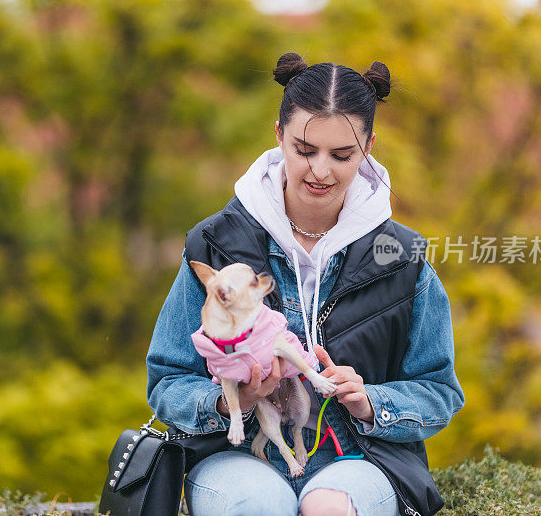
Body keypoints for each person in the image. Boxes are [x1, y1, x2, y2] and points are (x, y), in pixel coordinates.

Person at [146, 52, 465, 516]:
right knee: (259, 504)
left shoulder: (403, 257)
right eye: (304, 149)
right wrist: (226, 398)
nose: (320, 170)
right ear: (279, 135)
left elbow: (440, 390)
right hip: (235, 454)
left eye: (342, 155)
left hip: (362, 456)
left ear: (369, 147)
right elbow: (167, 379)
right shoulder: (213, 242)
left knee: (328, 508)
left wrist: (371, 402)